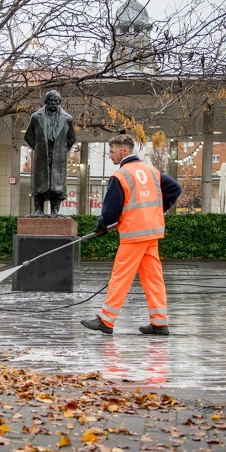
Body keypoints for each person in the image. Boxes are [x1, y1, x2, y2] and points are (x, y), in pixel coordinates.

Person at [81, 134, 182, 336]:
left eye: (112, 151)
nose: (110, 156)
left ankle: (107, 321)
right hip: (151, 232)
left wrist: (101, 226)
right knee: (153, 278)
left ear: (124, 151)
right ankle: (160, 322)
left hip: (134, 234)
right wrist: (155, 211)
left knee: (121, 276)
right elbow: (175, 188)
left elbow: (110, 211)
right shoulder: (152, 171)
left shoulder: (121, 176)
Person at [23, 90, 77, 217]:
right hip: (41, 155)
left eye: (56, 101)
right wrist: (38, 148)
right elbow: (28, 136)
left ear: (59, 102)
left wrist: (62, 151)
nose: (53, 103)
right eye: (51, 101)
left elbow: (72, 138)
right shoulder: (36, 117)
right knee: (40, 182)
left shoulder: (67, 118)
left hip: (58, 156)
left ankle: (54, 210)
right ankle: (39, 210)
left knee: (57, 184)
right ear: (46, 102)